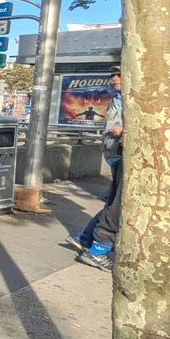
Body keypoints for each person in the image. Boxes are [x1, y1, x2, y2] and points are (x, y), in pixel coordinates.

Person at [69, 66, 123, 271]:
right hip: (119, 153)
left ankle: (87, 239)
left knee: (114, 202)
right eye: (113, 75)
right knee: (117, 204)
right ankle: (98, 249)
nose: (114, 78)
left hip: (122, 153)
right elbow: (114, 128)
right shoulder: (118, 98)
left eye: (119, 74)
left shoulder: (126, 98)